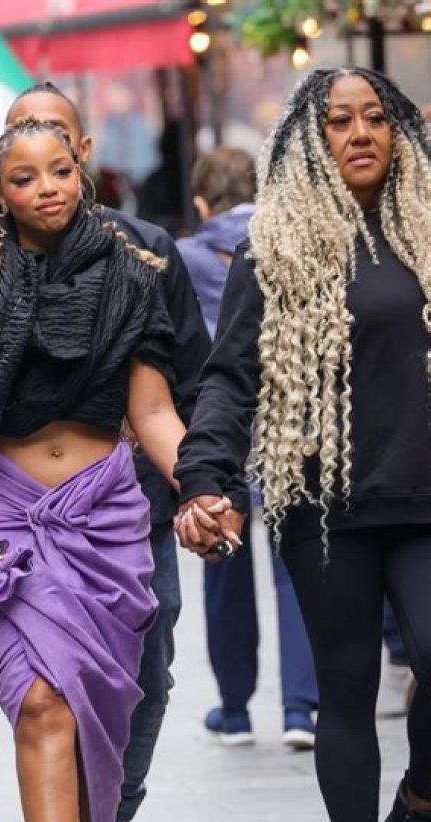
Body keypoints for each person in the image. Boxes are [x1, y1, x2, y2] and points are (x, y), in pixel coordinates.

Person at [0, 81, 213, 822]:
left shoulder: (134, 269)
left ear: (83, 166)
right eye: (24, 173)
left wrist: (202, 485)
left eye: (58, 167)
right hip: (6, 517)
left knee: (110, 708)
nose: (46, 186)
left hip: (106, 515)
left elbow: (155, 409)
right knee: (44, 703)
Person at [174, 68, 430, 822]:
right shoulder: (275, 247)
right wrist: (204, 477)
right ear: (307, 142)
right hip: (325, 507)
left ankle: (417, 817)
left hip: (425, 497)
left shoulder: (427, 233)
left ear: (400, 132)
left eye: (376, 118)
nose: (360, 133)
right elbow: (230, 375)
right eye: (338, 121)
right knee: (347, 688)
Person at [177, 146, 319, 749]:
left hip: (218, 430)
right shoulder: (291, 244)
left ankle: (234, 710)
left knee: (223, 561)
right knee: (297, 567)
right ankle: (299, 709)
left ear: (202, 202)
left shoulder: (183, 258)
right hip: (290, 428)